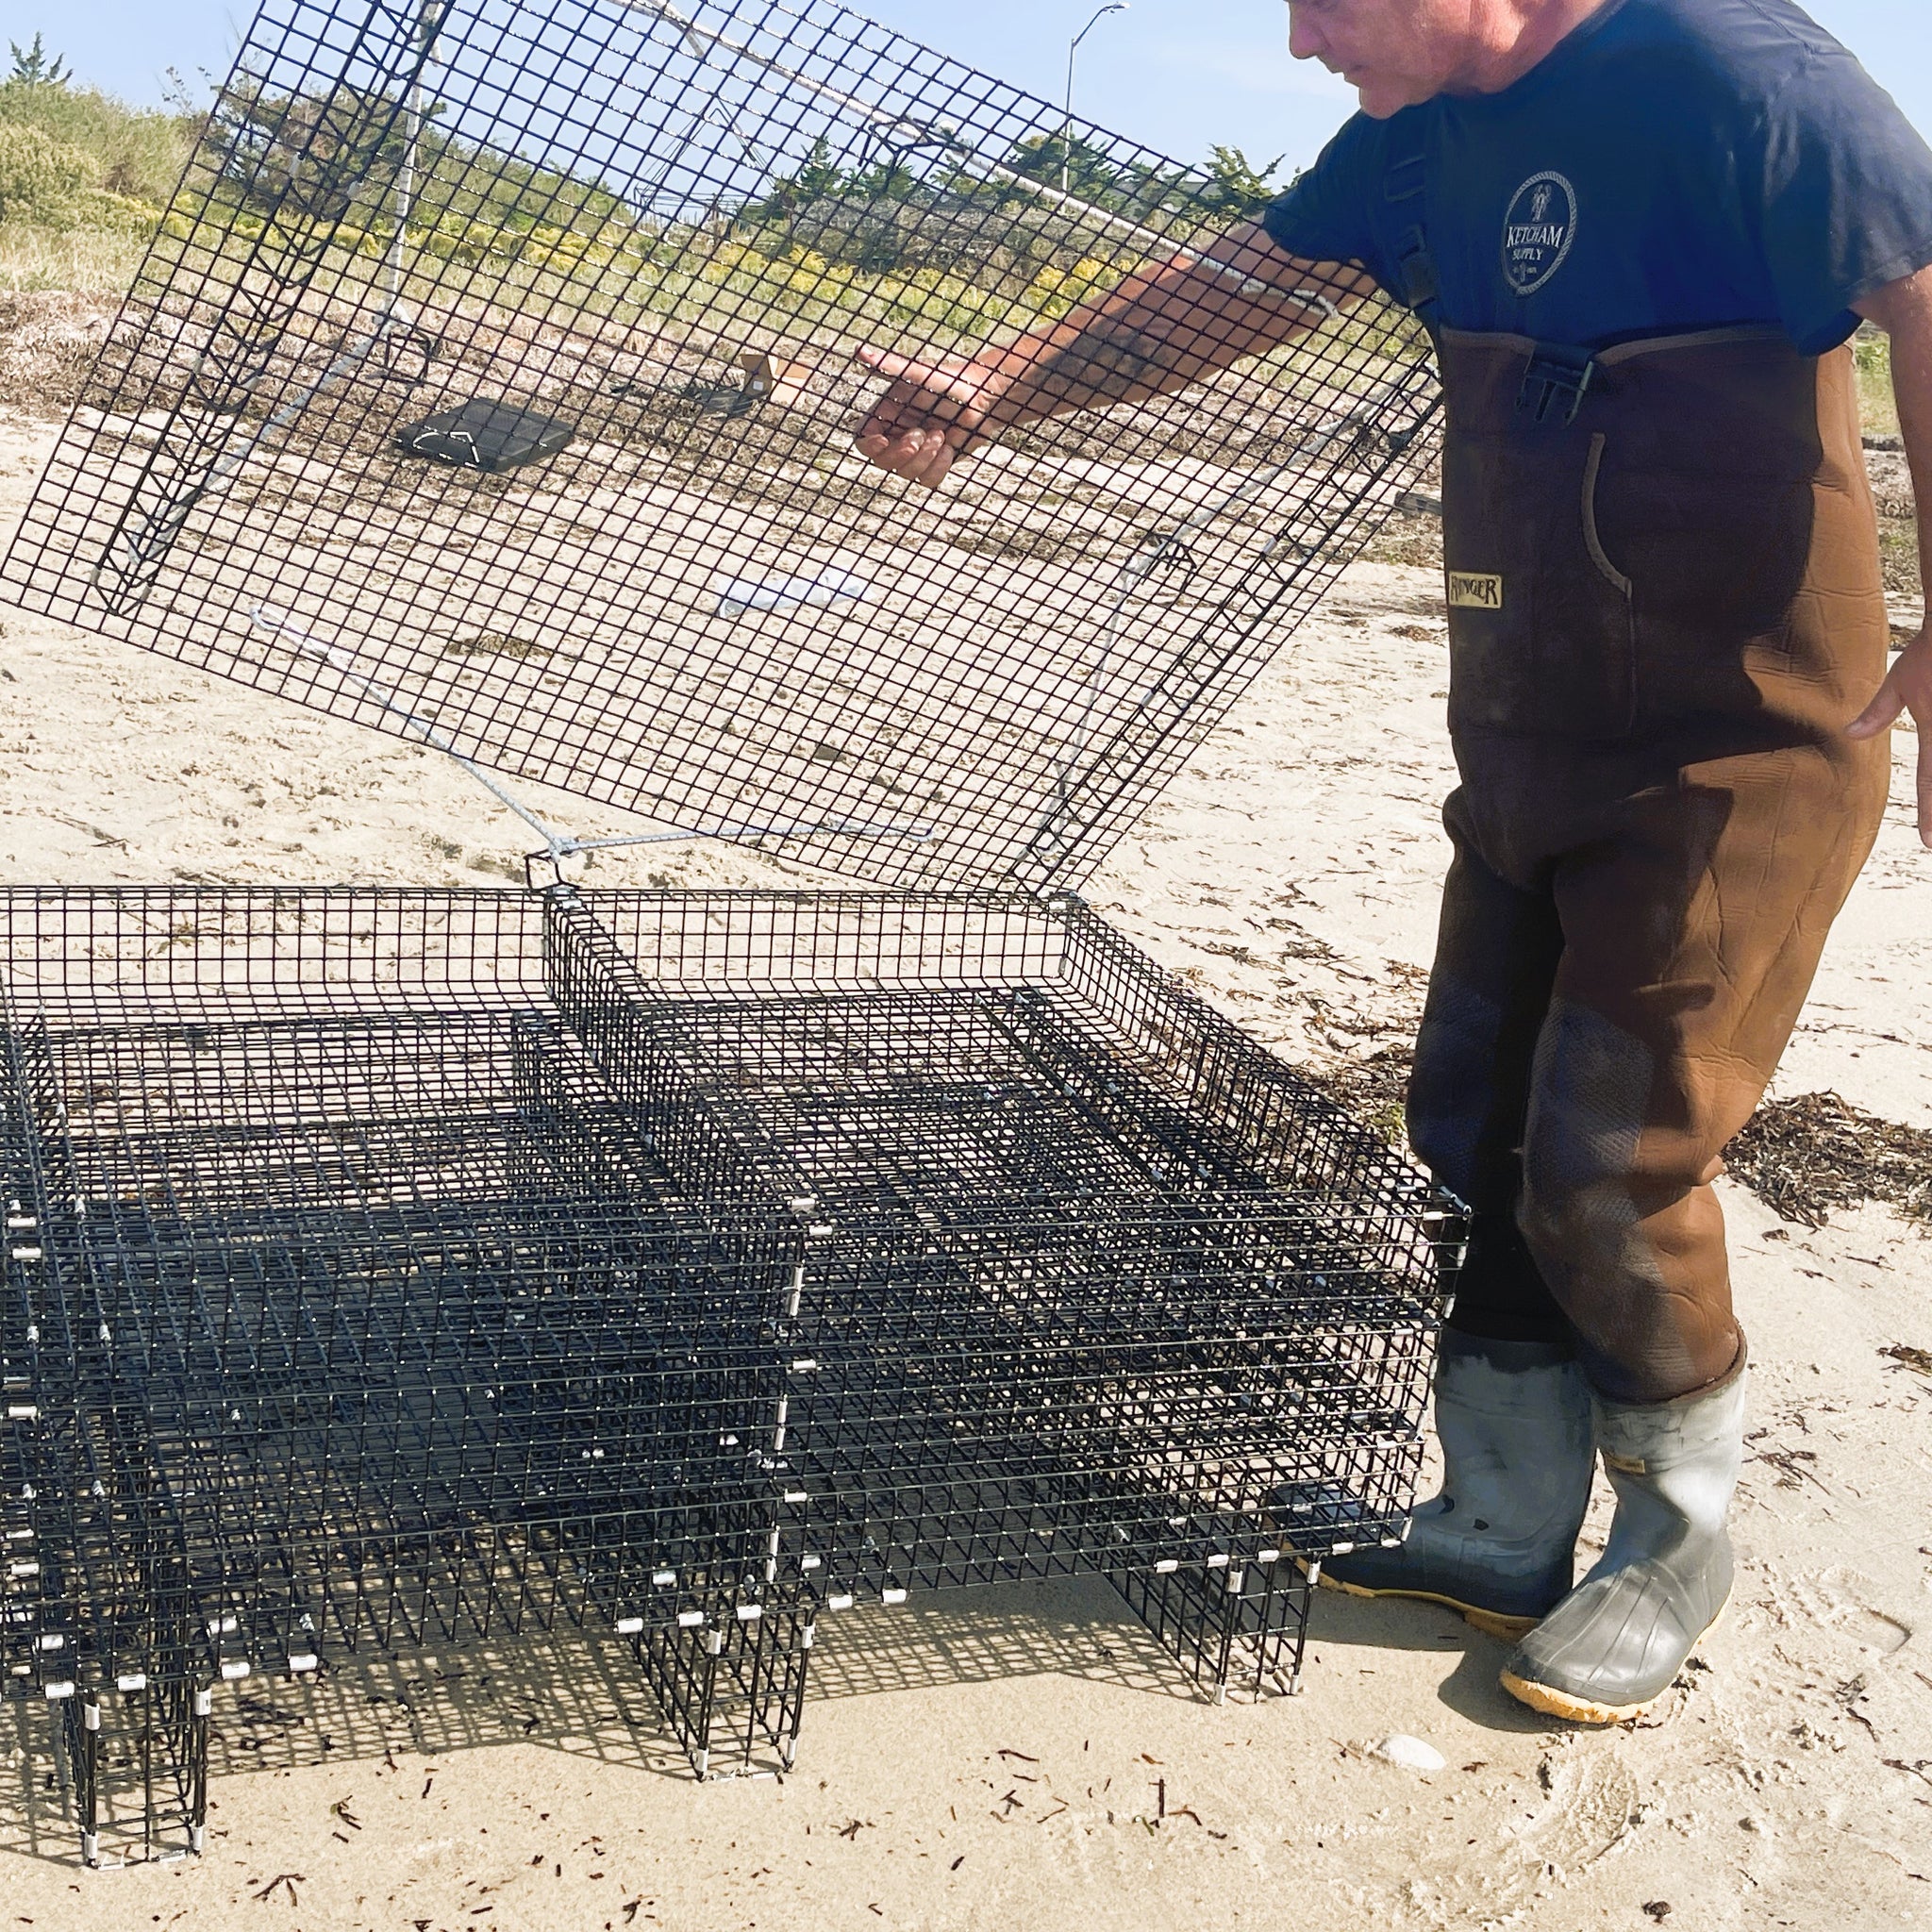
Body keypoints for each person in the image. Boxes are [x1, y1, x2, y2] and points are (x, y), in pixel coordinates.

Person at [853, 0, 1932, 1725]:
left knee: (1615, 1153)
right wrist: (1003, 381)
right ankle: (1497, 1525)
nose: (1295, 43)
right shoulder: (1423, 130)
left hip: (1737, 754)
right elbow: (1247, 281)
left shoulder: (1746, 77)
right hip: (1524, 731)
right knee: (1478, 1125)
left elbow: (1924, 287)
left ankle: (1676, 1540)